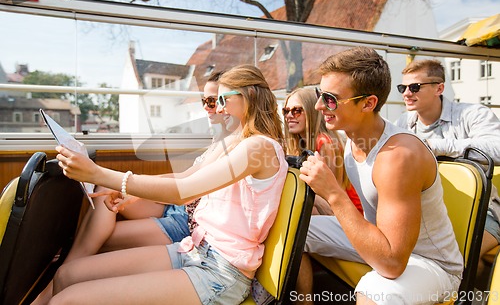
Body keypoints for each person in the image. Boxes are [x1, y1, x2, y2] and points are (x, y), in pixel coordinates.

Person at [46, 64, 288, 305]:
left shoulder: (259, 147)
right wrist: (128, 191)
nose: (219, 108)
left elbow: (183, 193)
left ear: (251, 95)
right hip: (194, 248)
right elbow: (186, 178)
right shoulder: (237, 140)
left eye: (224, 99)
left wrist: (97, 174)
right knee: (67, 275)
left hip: (220, 271)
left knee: (66, 301)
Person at [31, 71, 231, 305]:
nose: (208, 108)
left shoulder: (240, 149)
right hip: (177, 207)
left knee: (100, 237)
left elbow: (185, 188)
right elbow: (183, 176)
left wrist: (128, 185)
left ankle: (61, 277)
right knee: (105, 191)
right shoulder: (218, 140)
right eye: (204, 101)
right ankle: (66, 271)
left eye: (213, 101)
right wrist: (131, 185)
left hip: (186, 219)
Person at [295, 47, 462, 305]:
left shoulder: (398, 156)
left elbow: (393, 263)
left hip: (431, 264)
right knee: (294, 227)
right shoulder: (353, 142)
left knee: (375, 292)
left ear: (368, 103)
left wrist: (333, 194)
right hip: (380, 240)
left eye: (330, 99)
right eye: (320, 94)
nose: (318, 106)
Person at [394, 58, 500, 290]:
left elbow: (498, 149)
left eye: (415, 87)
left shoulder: (473, 113)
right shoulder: (403, 122)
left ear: (439, 88)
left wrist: (438, 146)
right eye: (403, 88)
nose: (406, 94)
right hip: (426, 211)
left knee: (458, 259)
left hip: (480, 210)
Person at [282, 87, 362, 215]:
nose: (289, 116)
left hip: (349, 216)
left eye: (296, 110)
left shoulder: (325, 143)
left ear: (312, 112)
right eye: (286, 111)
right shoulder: (301, 144)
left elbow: (331, 197)